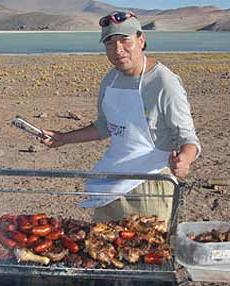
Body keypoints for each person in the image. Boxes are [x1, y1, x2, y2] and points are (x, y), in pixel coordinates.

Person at [40, 10, 201, 226]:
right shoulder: (110, 80)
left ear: (141, 40)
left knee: (147, 253)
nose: (118, 50)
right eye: (109, 43)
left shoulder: (164, 82)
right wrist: (63, 138)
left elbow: (188, 137)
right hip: (111, 183)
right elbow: (104, 127)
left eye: (125, 40)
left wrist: (185, 160)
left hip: (150, 185)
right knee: (101, 248)